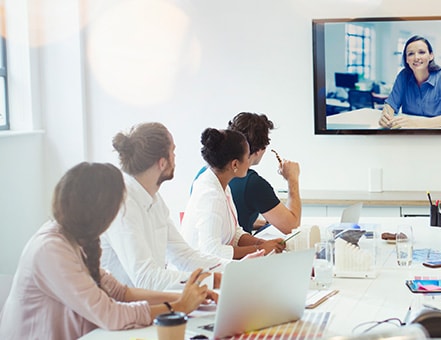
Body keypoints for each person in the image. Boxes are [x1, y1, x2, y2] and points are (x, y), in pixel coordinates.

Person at [0, 162, 213, 339]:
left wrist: (187, 297)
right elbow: (111, 315)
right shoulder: (51, 249)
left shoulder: (75, 238)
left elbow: (121, 293)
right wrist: (179, 306)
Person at [101, 122, 260, 291]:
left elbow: (184, 255)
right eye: (173, 152)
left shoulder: (153, 198)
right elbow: (146, 278)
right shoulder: (122, 205)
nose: (175, 158)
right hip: (128, 309)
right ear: (162, 163)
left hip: (151, 300)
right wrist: (215, 280)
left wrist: (235, 269)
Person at [180, 128, 286, 260]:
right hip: (200, 274)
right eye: (247, 157)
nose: (249, 162)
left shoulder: (222, 183)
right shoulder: (211, 195)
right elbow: (211, 251)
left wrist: (261, 243)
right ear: (235, 164)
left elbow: (233, 233)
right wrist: (260, 249)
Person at [226, 112, 301, 234]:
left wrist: (260, 222)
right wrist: (292, 179)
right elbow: (292, 227)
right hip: (235, 252)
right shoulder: (252, 184)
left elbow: (230, 217)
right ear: (259, 149)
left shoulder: (207, 172)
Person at [378, 35, 441, 129]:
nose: (416, 57)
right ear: (406, 59)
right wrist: (385, 116)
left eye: (421, 52)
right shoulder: (403, 76)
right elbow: (391, 104)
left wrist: (419, 123)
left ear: (431, 56)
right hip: (408, 133)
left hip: (436, 132)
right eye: (410, 54)